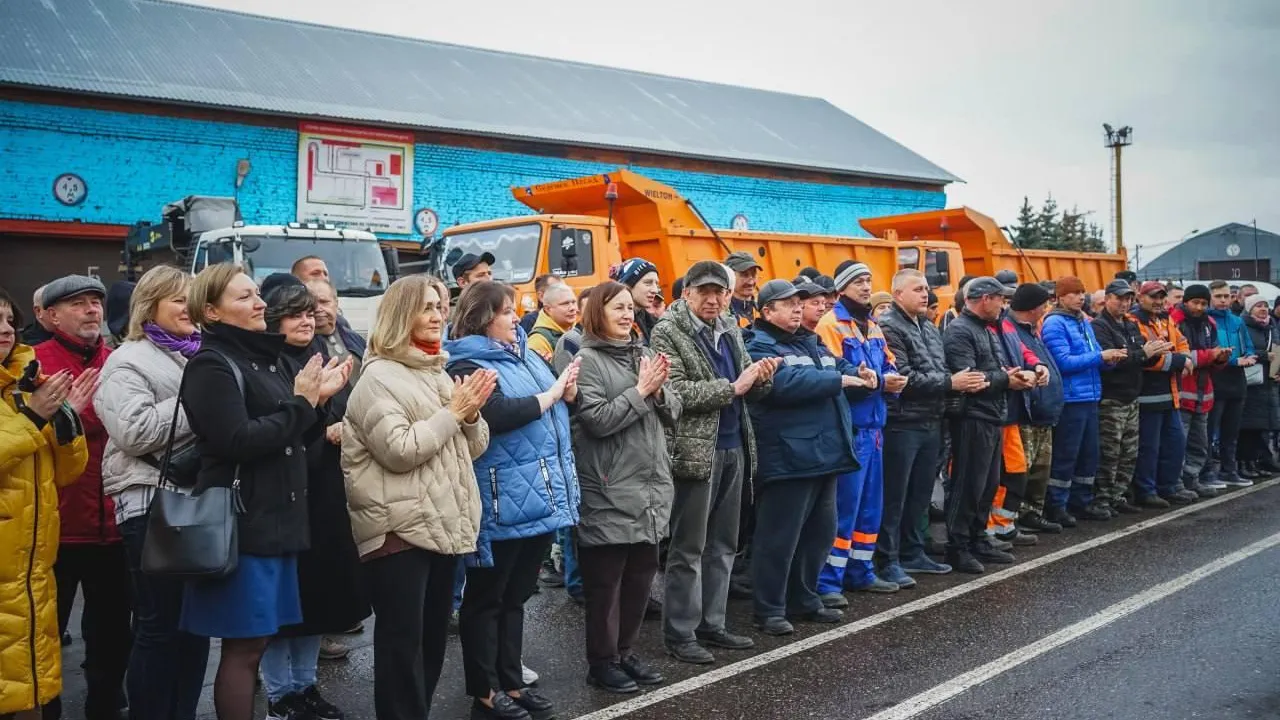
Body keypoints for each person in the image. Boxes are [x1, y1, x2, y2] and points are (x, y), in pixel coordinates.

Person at [180, 263, 350, 720]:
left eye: (256, 294)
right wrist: (301, 404)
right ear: (210, 312)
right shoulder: (211, 364)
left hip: (278, 520)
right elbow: (237, 440)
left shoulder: (262, 358)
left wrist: (317, 404)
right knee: (243, 648)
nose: (259, 303)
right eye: (244, 297)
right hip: (245, 522)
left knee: (258, 640)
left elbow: (291, 436)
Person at [343, 275, 494, 720]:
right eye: (426, 306)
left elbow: (475, 445)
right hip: (398, 532)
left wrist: (468, 415)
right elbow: (400, 451)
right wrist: (453, 412)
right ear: (399, 315)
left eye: (441, 305)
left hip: (441, 523)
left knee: (429, 644)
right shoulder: (378, 378)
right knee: (401, 649)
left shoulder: (436, 371)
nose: (437, 315)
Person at [445, 281, 580, 720]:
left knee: (516, 596)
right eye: (505, 312)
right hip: (501, 497)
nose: (514, 318)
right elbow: (498, 414)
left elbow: (552, 405)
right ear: (484, 317)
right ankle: (484, 695)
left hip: (538, 494)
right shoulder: (466, 360)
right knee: (486, 599)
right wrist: (553, 395)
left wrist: (567, 396)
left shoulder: (519, 353)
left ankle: (512, 683)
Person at [94, 265, 209, 720]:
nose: (190, 308)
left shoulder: (194, 353)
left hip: (193, 499)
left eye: (193, 299)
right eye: (179, 300)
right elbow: (135, 431)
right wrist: (198, 401)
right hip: (147, 501)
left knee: (194, 625)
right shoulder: (127, 360)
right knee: (160, 625)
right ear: (150, 307)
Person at [649, 261, 775, 663]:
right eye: (704, 291)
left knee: (723, 544)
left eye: (719, 291)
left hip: (734, 445)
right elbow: (676, 393)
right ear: (686, 293)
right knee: (688, 547)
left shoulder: (730, 328)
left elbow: (747, 390)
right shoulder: (667, 331)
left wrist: (762, 377)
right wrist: (733, 387)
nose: (713, 298)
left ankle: (713, 623)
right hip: (695, 452)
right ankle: (681, 633)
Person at [257, 280, 367, 720]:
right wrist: (322, 427)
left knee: (315, 600)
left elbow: (343, 408)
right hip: (284, 494)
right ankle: (280, 695)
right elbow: (276, 429)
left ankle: (306, 687)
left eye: (309, 312)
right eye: (293, 313)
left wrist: (341, 423)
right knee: (283, 606)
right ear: (272, 319)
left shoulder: (318, 353)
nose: (306, 320)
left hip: (324, 490)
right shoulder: (267, 363)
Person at [571, 282, 682, 692]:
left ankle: (625, 652)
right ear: (597, 313)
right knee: (606, 585)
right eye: (616, 308)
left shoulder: (645, 353)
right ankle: (601, 662)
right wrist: (641, 391)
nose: (625, 315)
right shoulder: (586, 360)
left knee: (640, 579)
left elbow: (673, 409)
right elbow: (597, 421)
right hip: (608, 487)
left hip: (650, 486)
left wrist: (658, 392)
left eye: (627, 308)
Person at [34, 274, 131, 719]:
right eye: (77, 303)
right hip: (56, 527)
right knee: (45, 634)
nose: (92, 309)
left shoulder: (119, 362)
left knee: (112, 633)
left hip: (115, 524)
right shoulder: (30, 365)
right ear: (50, 316)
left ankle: (105, 706)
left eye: (95, 301)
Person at [746, 279, 867, 635]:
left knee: (818, 533)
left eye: (800, 302)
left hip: (823, 453)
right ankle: (769, 609)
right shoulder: (757, 344)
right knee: (778, 538)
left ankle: (804, 597)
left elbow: (837, 367)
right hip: (788, 456)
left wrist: (858, 375)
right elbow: (783, 384)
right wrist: (836, 380)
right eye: (789, 303)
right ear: (767, 311)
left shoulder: (811, 341)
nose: (799, 308)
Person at [0, 286, 93, 720]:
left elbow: (64, 473)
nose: (4, 331)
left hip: (30, 564)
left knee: (31, 682)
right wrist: (35, 417)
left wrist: (64, 416)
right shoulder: (26, 400)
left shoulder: (24, 383)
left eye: (8, 321)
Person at [878, 270, 979, 580]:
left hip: (931, 420)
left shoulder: (928, 327)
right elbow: (905, 378)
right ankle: (887, 559)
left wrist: (962, 380)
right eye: (917, 289)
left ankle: (912, 553)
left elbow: (939, 367)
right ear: (897, 294)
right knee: (895, 496)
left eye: (926, 288)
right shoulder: (888, 327)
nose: (925, 294)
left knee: (920, 495)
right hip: (903, 423)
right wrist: (951, 382)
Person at [815, 263, 904, 596]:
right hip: (850, 429)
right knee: (845, 507)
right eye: (858, 281)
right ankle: (828, 581)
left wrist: (893, 378)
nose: (866, 287)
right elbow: (838, 377)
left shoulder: (873, 326)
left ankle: (861, 571)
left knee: (870, 507)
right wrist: (881, 381)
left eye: (868, 280)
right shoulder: (831, 324)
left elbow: (889, 362)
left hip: (875, 427)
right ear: (842, 287)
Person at [942, 277, 1037, 573]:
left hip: (992, 414)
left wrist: (1013, 375)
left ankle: (978, 536)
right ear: (984, 299)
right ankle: (958, 546)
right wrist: (1005, 380)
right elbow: (968, 377)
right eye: (1000, 299)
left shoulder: (986, 328)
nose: (1003, 305)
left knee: (987, 483)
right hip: (972, 417)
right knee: (968, 484)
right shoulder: (960, 330)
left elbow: (992, 370)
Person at [1040, 276, 1126, 523]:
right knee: (1067, 454)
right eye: (1074, 293)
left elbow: (1092, 356)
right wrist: (1101, 357)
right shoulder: (1055, 323)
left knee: (1089, 454)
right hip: (1071, 399)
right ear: (1060, 297)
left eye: (1082, 292)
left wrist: (1109, 360)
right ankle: (1057, 504)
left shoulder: (1083, 322)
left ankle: (1082, 501)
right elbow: (1063, 362)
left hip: (1090, 396)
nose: (1080, 297)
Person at [1091, 280, 1170, 516]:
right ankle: (1102, 499)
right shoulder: (1099, 326)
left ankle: (1118, 495)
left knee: (1129, 452)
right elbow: (1112, 361)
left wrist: (1153, 354)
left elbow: (1140, 356)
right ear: (1107, 298)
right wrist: (1143, 353)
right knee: (1109, 452)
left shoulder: (1130, 325)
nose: (1124, 303)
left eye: (1128, 299)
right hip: (1112, 398)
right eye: (1119, 298)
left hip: (1131, 397)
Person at [1131, 282, 1196, 506]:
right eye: (1152, 297)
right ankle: (1146, 491)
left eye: (1160, 297)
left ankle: (1168, 487)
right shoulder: (1134, 321)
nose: (1158, 301)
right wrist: (1180, 360)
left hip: (1170, 394)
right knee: (1149, 448)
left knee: (1174, 444)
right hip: (1147, 396)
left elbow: (1181, 342)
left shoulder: (1165, 319)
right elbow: (1148, 359)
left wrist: (1185, 357)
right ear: (1140, 298)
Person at [1008, 283, 1065, 535]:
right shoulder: (1011, 331)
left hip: (1044, 413)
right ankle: (1014, 516)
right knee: (1023, 470)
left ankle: (1032, 512)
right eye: (1044, 303)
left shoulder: (1031, 330)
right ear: (1033, 307)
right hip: (1028, 413)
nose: (1047, 307)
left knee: (1040, 470)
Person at [1168, 285, 1232, 500]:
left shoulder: (1209, 323)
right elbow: (1178, 357)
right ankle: (1175, 482)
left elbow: (1212, 358)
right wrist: (1210, 356)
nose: (1199, 307)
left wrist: (1221, 359)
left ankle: (1191, 479)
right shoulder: (1174, 321)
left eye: (1203, 303)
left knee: (1199, 443)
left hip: (1203, 392)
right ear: (1185, 301)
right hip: (1181, 391)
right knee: (1178, 442)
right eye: (1195, 302)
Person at [1206, 280, 1256, 487]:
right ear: (1211, 297)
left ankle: (1229, 470)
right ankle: (1207, 472)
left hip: (1238, 381)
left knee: (1231, 431)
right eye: (1219, 296)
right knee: (1210, 431)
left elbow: (1249, 346)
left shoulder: (1237, 321)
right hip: (1215, 380)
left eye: (1227, 296)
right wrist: (1234, 360)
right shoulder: (1207, 321)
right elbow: (1210, 352)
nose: (1223, 300)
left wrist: (1251, 356)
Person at [1240, 295, 1280, 476]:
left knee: (1261, 425)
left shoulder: (1270, 327)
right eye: (1258, 306)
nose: (1263, 309)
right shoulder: (1243, 326)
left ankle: (1256, 461)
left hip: (1267, 380)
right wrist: (1263, 355)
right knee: (1246, 425)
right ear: (1249, 309)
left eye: (1265, 305)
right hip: (1250, 381)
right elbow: (1241, 349)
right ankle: (1243, 463)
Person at [307, 278, 366, 385]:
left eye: (324, 302)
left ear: (336, 303)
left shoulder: (353, 337)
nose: (317, 308)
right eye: (311, 303)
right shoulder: (302, 346)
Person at [610, 259, 661, 344]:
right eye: (648, 283)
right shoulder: (613, 325)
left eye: (656, 284)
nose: (655, 290)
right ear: (628, 285)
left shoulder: (652, 322)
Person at [526, 283, 579, 363]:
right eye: (565, 304)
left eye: (574, 302)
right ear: (548, 309)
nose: (572, 308)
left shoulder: (578, 330)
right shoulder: (538, 340)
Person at [724, 251, 761, 330]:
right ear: (729, 277)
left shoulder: (763, 310)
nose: (751, 282)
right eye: (744, 275)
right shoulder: (721, 314)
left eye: (753, 275)